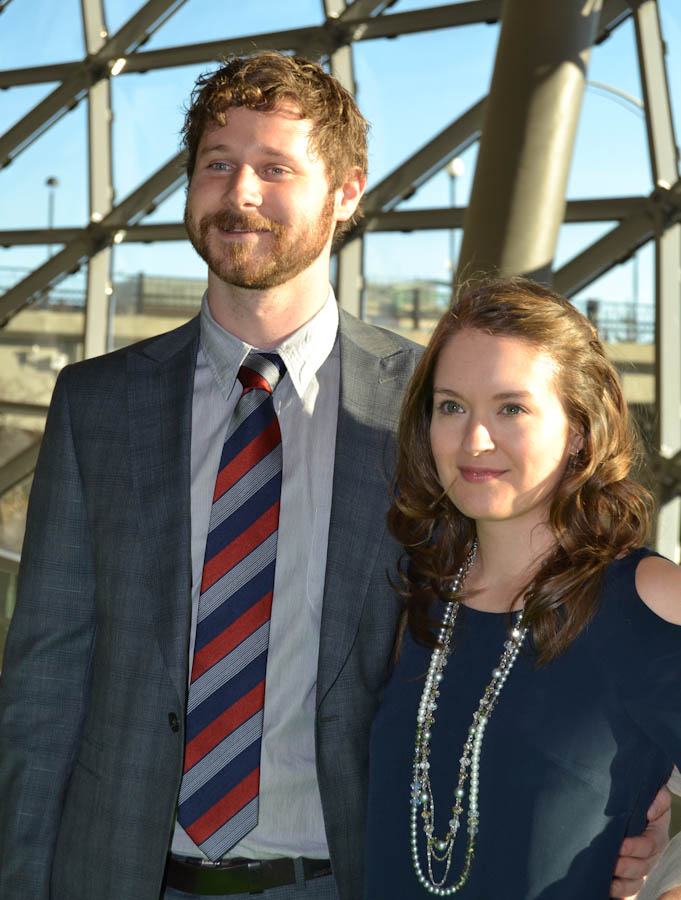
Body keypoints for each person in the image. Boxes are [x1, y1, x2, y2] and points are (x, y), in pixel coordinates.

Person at [0, 55, 668, 900]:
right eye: (217, 163)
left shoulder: (430, 408)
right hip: (115, 875)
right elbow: (42, 686)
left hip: (340, 879)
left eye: (275, 168)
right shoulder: (96, 406)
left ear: (346, 193)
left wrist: (639, 810)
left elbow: (535, 621)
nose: (240, 193)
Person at [365, 276, 681, 899]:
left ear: (580, 430)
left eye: (512, 408)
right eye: (452, 406)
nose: (474, 440)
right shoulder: (416, 599)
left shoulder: (646, 597)